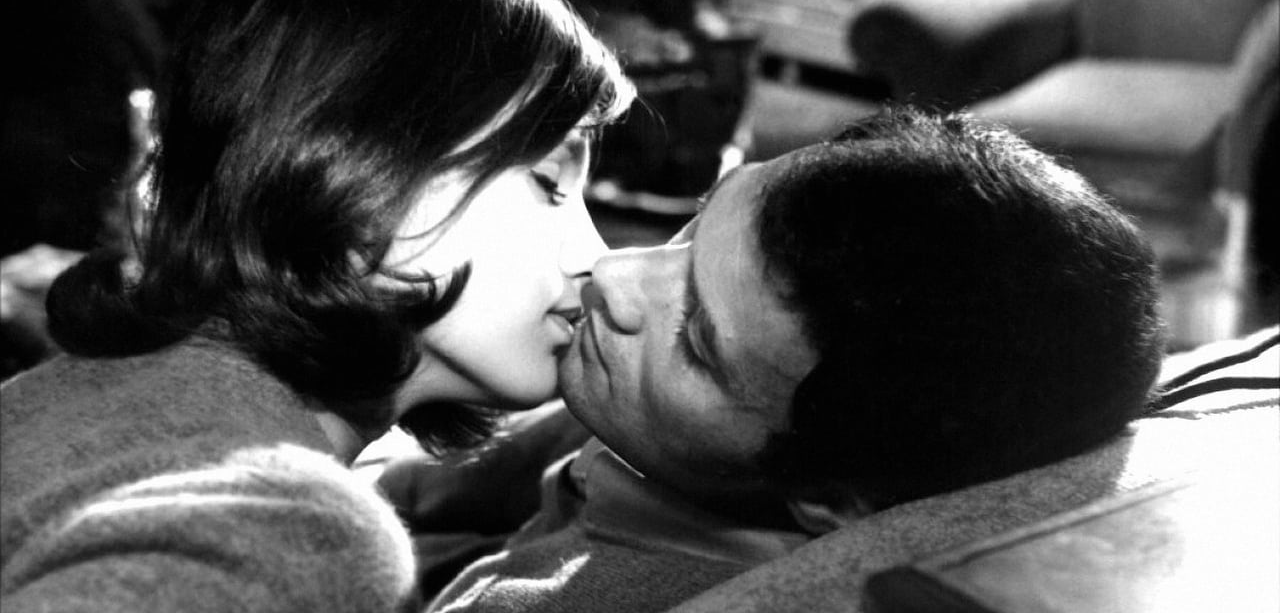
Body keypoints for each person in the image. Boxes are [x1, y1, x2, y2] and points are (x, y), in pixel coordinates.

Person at [0, 0, 634, 613]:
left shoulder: (74, 402)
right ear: (358, 177)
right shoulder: (286, 527)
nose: (597, 260)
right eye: (549, 181)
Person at [393, 106, 1166, 613]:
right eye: (699, 222)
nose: (612, 273)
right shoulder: (669, 422)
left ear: (828, 501)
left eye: (695, 340)